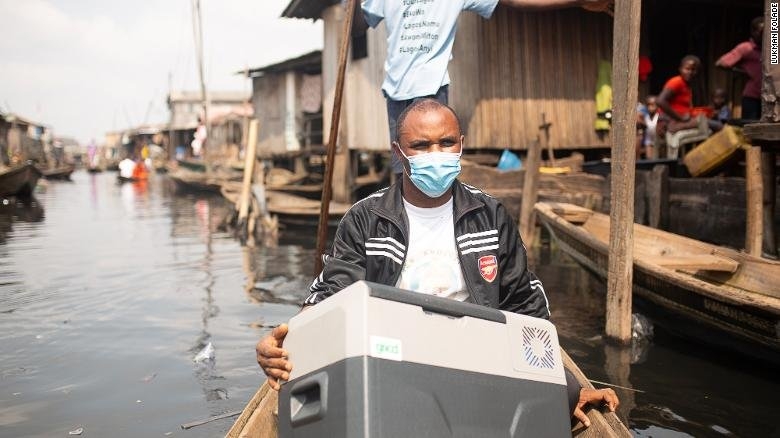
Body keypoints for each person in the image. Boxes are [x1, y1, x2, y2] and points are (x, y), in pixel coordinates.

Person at [256, 99, 619, 428]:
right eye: (421, 145)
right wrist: (286, 339)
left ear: (461, 143)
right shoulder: (366, 218)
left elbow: (525, 306)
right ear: (399, 152)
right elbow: (331, 295)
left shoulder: (489, 215)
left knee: (565, 393)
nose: (436, 153)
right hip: (394, 357)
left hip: (478, 356)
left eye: (446, 143)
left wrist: (555, 385)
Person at [358, 0, 614, 178]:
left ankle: (438, 230)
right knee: (402, 171)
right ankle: (407, 237)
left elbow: (515, 1)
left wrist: (577, 1)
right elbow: (360, 22)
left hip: (430, 88)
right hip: (394, 92)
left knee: (432, 170)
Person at [657, 55, 709, 158]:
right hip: (670, 119)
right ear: (680, 69)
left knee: (706, 123)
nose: (690, 72)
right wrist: (679, 117)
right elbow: (660, 101)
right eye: (687, 69)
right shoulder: (676, 82)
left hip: (680, 119)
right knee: (704, 122)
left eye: (693, 70)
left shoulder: (687, 85)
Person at [716, 17, 763, 121]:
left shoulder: (772, 49)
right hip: (752, 97)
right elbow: (720, 63)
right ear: (753, 32)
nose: (763, 35)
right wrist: (743, 73)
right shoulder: (746, 48)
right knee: (750, 128)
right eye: (761, 31)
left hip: (770, 99)